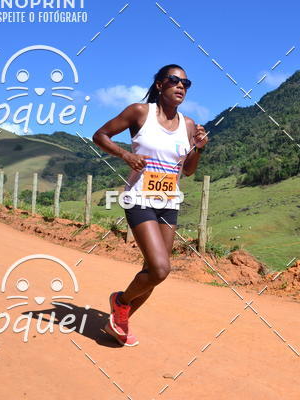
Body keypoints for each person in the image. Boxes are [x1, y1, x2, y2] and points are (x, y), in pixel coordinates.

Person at [92, 64, 208, 346]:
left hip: (169, 202)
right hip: (139, 198)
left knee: (154, 272)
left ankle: (118, 322)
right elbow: (100, 135)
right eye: (174, 81)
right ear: (159, 85)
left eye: (186, 83)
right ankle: (120, 302)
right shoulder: (140, 112)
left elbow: (189, 171)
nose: (180, 86)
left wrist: (199, 148)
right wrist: (125, 155)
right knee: (160, 268)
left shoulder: (189, 125)